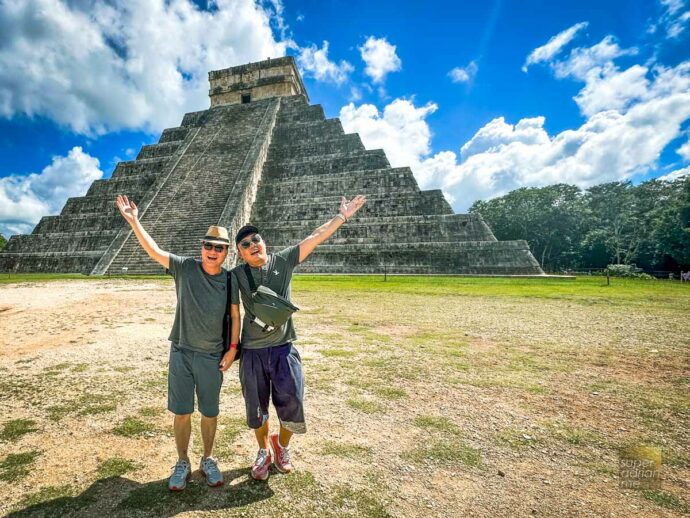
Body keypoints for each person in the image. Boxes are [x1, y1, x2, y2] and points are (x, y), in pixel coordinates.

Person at [231, 195, 366, 481]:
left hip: (283, 349)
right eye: (245, 244)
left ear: (263, 242)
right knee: (256, 408)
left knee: (292, 402)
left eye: (256, 239)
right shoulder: (237, 276)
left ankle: (281, 446)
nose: (253, 245)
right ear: (240, 253)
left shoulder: (284, 260)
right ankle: (263, 451)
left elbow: (315, 237)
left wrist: (342, 216)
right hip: (253, 352)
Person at [115, 195, 240, 491]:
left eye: (218, 248)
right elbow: (155, 250)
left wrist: (232, 350)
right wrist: (135, 221)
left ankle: (207, 458)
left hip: (212, 356)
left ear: (225, 254)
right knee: (182, 411)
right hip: (182, 351)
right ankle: (182, 460)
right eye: (208, 245)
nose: (212, 251)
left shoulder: (229, 280)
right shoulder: (185, 268)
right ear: (202, 248)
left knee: (210, 412)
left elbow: (235, 316)